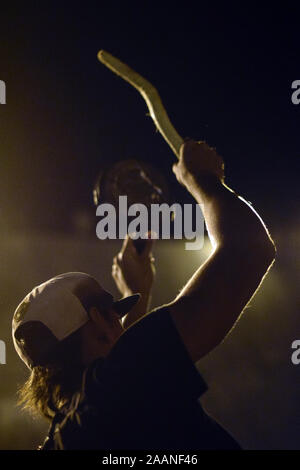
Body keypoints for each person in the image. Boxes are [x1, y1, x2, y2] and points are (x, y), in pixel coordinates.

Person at [12, 140, 276, 450]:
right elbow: (250, 250)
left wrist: (136, 293)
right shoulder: (118, 383)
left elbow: (126, 383)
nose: (122, 324)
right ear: (100, 319)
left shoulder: (65, 435)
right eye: (115, 313)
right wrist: (202, 179)